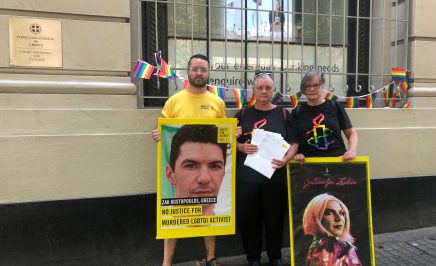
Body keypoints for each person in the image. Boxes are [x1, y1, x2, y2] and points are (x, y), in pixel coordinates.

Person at [152, 54, 225, 266]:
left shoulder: (217, 102)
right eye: (195, 69)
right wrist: (157, 134)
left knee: (208, 214)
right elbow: (163, 129)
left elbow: (223, 132)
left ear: (208, 72)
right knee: (172, 216)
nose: (199, 73)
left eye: (203, 69)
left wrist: (233, 133)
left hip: (206, 168)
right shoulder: (174, 101)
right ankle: (166, 262)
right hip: (184, 169)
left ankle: (211, 258)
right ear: (188, 71)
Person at [235, 71, 299, 266]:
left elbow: (294, 142)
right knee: (249, 221)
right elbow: (227, 141)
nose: (264, 91)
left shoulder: (283, 114)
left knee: (275, 220)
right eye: (260, 88)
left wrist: (287, 159)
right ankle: (253, 258)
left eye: (268, 88)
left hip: (275, 177)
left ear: (274, 91)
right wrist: (240, 146)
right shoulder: (243, 113)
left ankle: (275, 256)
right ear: (253, 90)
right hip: (247, 179)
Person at [291, 71, 358, 163]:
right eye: (308, 86)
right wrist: (295, 154)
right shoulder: (297, 112)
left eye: (316, 85)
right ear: (304, 89)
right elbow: (292, 140)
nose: (311, 89)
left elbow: (351, 133)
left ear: (322, 85)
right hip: (308, 165)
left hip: (337, 162)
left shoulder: (335, 106)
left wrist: (351, 151)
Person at [165, 125, 227, 216]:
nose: (204, 179)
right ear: (170, 174)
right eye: (191, 166)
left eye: (215, 166)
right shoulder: (163, 227)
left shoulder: (228, 223)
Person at [302, 193, 362, 266]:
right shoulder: (324, 246)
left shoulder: (317, 244)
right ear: (315, 217)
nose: (339, 218)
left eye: (341, 213)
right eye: (329, 212)